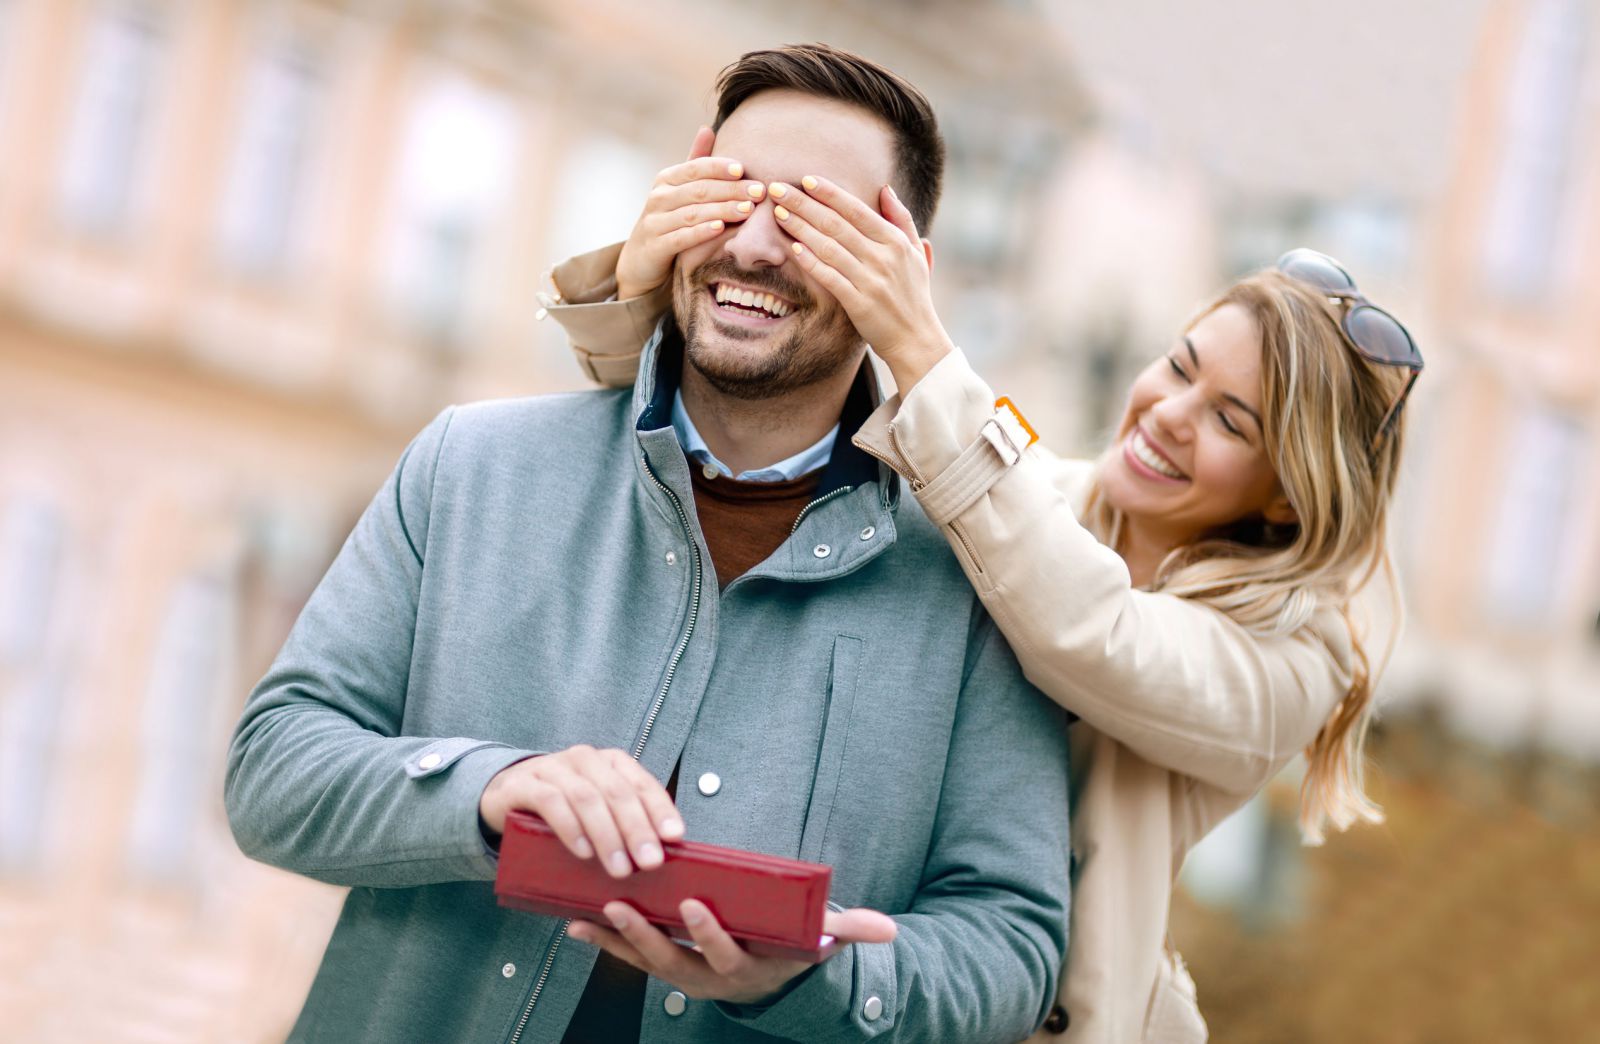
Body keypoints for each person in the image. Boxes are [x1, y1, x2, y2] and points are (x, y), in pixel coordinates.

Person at [224, 43, 1074, 1044]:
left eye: (813, 216)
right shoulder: (470, 467)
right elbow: (271, 774)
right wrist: (488, 791)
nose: (753, 244)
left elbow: (1012, 949)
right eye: (731, 193)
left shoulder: (981, 580)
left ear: (904, 274)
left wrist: (814, 978)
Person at [545, 129, 1420, 1040]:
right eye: (1179, 367)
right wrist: (640, 290)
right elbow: (752, 454)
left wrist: (922, 347)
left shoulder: (1292, 659)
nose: (1169, 412)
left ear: (1290, 492)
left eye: (1231, 420)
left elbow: (1090, 631)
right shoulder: (1031, 506)